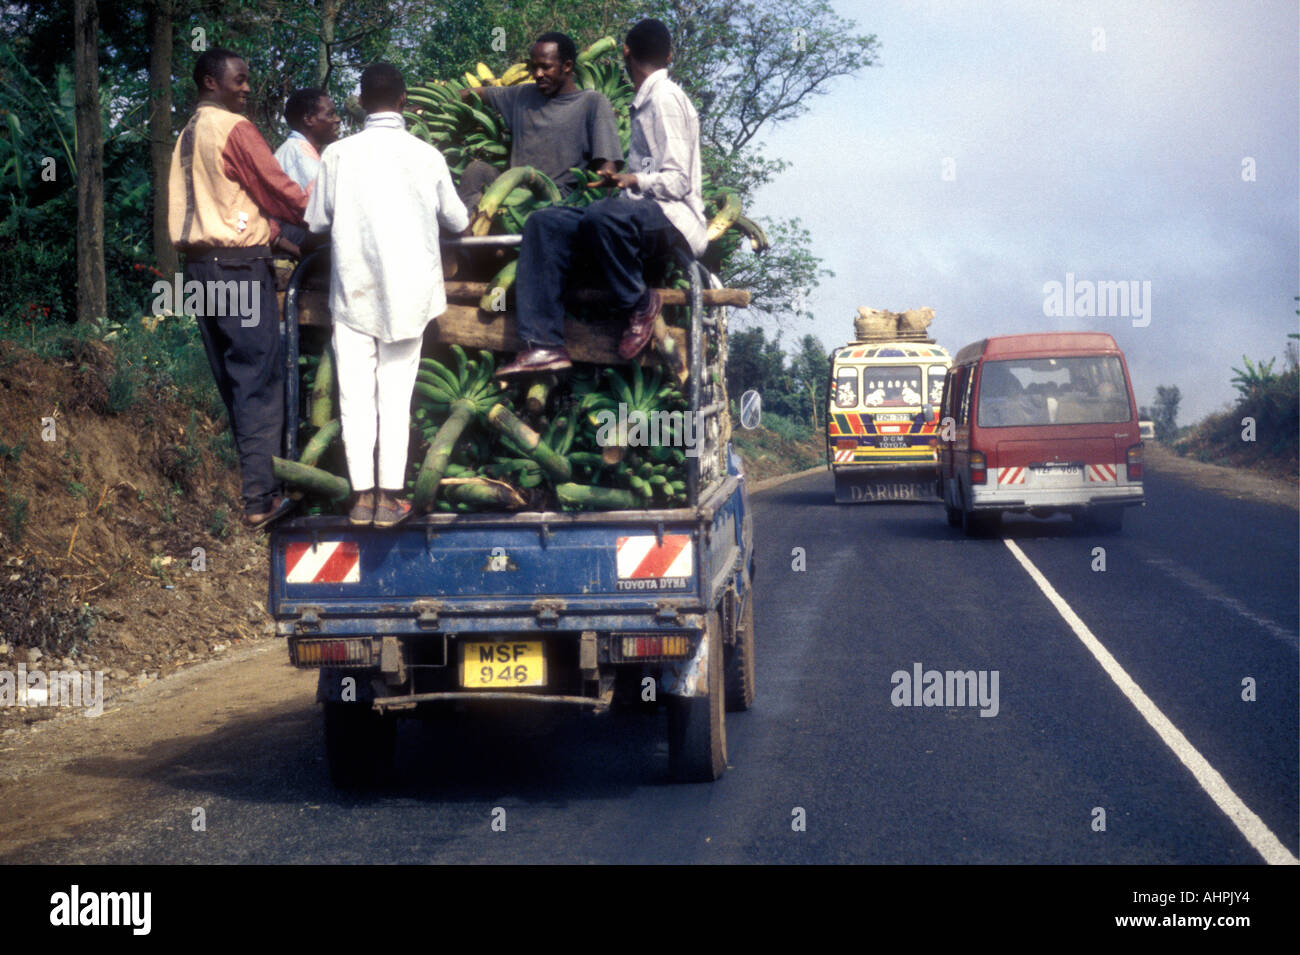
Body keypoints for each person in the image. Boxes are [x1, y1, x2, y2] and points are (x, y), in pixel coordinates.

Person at [495, 19, 706, 378]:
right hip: (637, 211)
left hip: (673, 219)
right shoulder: (647, 100)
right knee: (545, 223)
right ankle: (544, 344)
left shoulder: (665, 98)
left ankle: (640, 302)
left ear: (626, 52)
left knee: (604, 215)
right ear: (669, 55)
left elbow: (679, 182)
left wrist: (632, 178)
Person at [306, 63, 469, 526]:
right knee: (395, 397)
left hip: (355, 293)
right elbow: (457, 221)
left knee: (354, 395)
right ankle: (389, 498)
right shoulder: (426, 155)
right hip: (408, 296)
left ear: (361, 103)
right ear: (402, 101)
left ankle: (361, 499)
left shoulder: (337, 155)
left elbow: (316, 223)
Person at [169, 47, 310, 529]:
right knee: (258, 380)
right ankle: (260, 499)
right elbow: (280, 192)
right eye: (240, 79)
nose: (246, 88)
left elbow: (225, 203)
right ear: (212, 82)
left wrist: (273, 237)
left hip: (200, 271)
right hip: (237, 271)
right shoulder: (234, 129)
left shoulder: (187, 134)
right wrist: (324, 209)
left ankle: (257, 489)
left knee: (235, 382)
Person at [459, 32, 621, 207]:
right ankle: (469, 230)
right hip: (515, 192)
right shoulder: (522, 95)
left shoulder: (592, 102)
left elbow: (607, 164)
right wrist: (444, 97)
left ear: (567, 66)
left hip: (558, 200)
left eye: (545, 67)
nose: (538, 74)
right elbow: (480, 93)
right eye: (533, 67)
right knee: (477, 171)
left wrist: (601, 197)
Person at [272, 88, 341, 255]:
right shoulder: (300, 156)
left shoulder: (296, 150)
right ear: (308, 119)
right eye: (330, 114)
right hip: (290, 253)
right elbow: (326, 212)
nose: (338, 120)